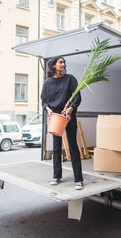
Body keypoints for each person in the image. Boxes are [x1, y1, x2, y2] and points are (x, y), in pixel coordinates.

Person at [41, 56, 84, 190]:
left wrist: (71, 109)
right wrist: (48, 110)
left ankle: (78, 179)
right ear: (53, 65)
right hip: (55, 117)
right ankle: (56, 176)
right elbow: (44, 101)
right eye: (60, 62)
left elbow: (77, 96)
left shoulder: (70, 79)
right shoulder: (47, 83)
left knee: (73, 147)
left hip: (68, 116)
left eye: (64, 62)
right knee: (56, 147)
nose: (63, 64)